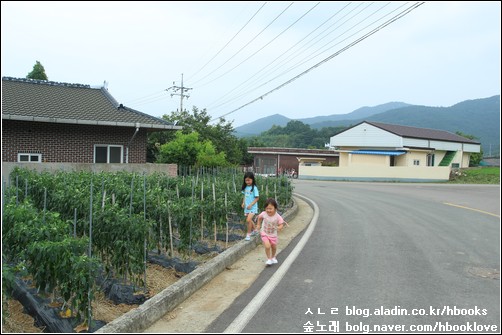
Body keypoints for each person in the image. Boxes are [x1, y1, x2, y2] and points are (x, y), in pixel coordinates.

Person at [255, 198, 287, 266]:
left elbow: (281, 224)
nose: (268, 210)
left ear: (275, 208)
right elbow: (259, 218)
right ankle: (269, 259)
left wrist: (279, 227)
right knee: (267, 246)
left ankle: (273, 257)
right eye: (267, 208)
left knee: (274, 247)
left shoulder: (277, 216)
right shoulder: (264, 214)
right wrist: (258, 225)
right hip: (264, 232)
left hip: (273, 234)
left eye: (270, 209)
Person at [241, 171, 260, 241]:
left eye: (249, 180)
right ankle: (255, 230)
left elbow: (257, 198)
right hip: (247, 207)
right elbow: (245, 196)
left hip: (252, 207)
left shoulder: (254, 188)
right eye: (246, 180)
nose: (247, 182)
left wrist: (251, 204)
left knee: (248, 220)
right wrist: (243, 203)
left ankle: (248, 234)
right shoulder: (245, 188)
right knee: (249, 220)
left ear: (252, 179)